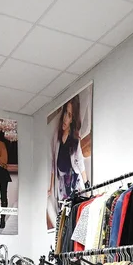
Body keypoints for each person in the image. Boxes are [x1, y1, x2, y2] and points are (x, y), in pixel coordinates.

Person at [48, 95, 87, 227]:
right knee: (63, 219)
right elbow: (53, 164)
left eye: (69, 115)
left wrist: (87, 184)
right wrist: (50, 187)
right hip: (61, 183)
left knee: (73, 218)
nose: (65, 118)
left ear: (72, 119)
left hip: (73, 183)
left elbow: (80, 162)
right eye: (65, 113)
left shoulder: (75, 140)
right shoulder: (57, 137)